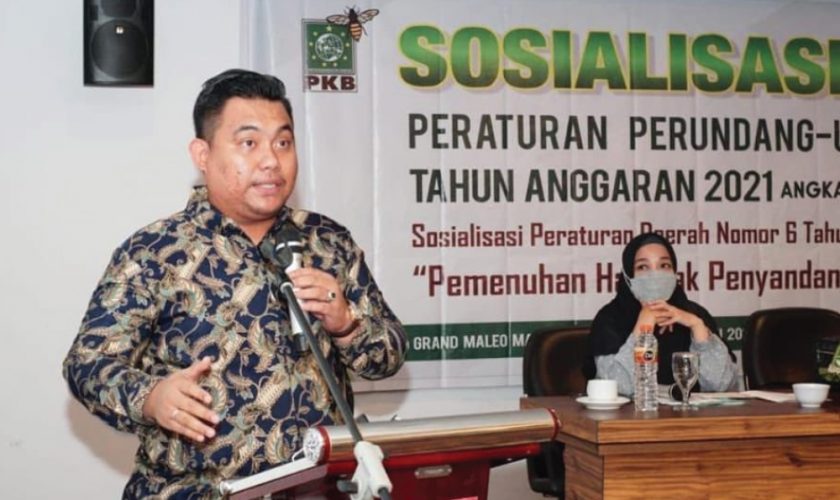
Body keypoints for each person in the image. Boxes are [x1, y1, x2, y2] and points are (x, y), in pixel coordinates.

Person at [62, 69, 408, 498]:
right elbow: (86, 365)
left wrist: (346, 324)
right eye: (249, 143)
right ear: (202, 154)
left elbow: (389, 355)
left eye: (283, 143)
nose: (271, 161)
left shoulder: (327, 242)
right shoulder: (154, 251)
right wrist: (150, 397)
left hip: (317, 490)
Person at [588, 232, 737, 396]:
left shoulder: (694, 314)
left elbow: (722, 386)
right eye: (643, 267)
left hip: (692, 413)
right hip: (636, 413)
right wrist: (643, 329)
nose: (655, 274)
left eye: (664, 265)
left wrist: (697, 327)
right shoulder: (610, 319)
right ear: (628, 276)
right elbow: (619, 389)